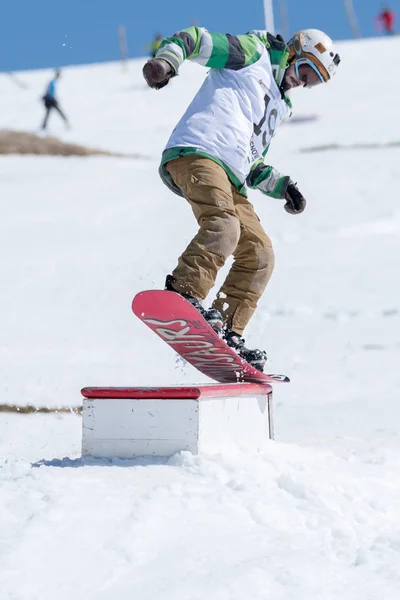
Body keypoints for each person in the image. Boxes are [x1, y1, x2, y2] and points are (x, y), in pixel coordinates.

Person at [142, 27, 340, 371]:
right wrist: (166, 62)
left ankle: (226, 328)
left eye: (315, 82)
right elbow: (194, 39)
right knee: (224, 226)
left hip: (232, 176)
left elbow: (253, 160)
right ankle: (183, 292)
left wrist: (283, 186)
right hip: (198, 151)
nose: (304, 83)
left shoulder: (279, 104)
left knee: (260, 253)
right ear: (294, 52)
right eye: (306, 71)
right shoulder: (253, 54)